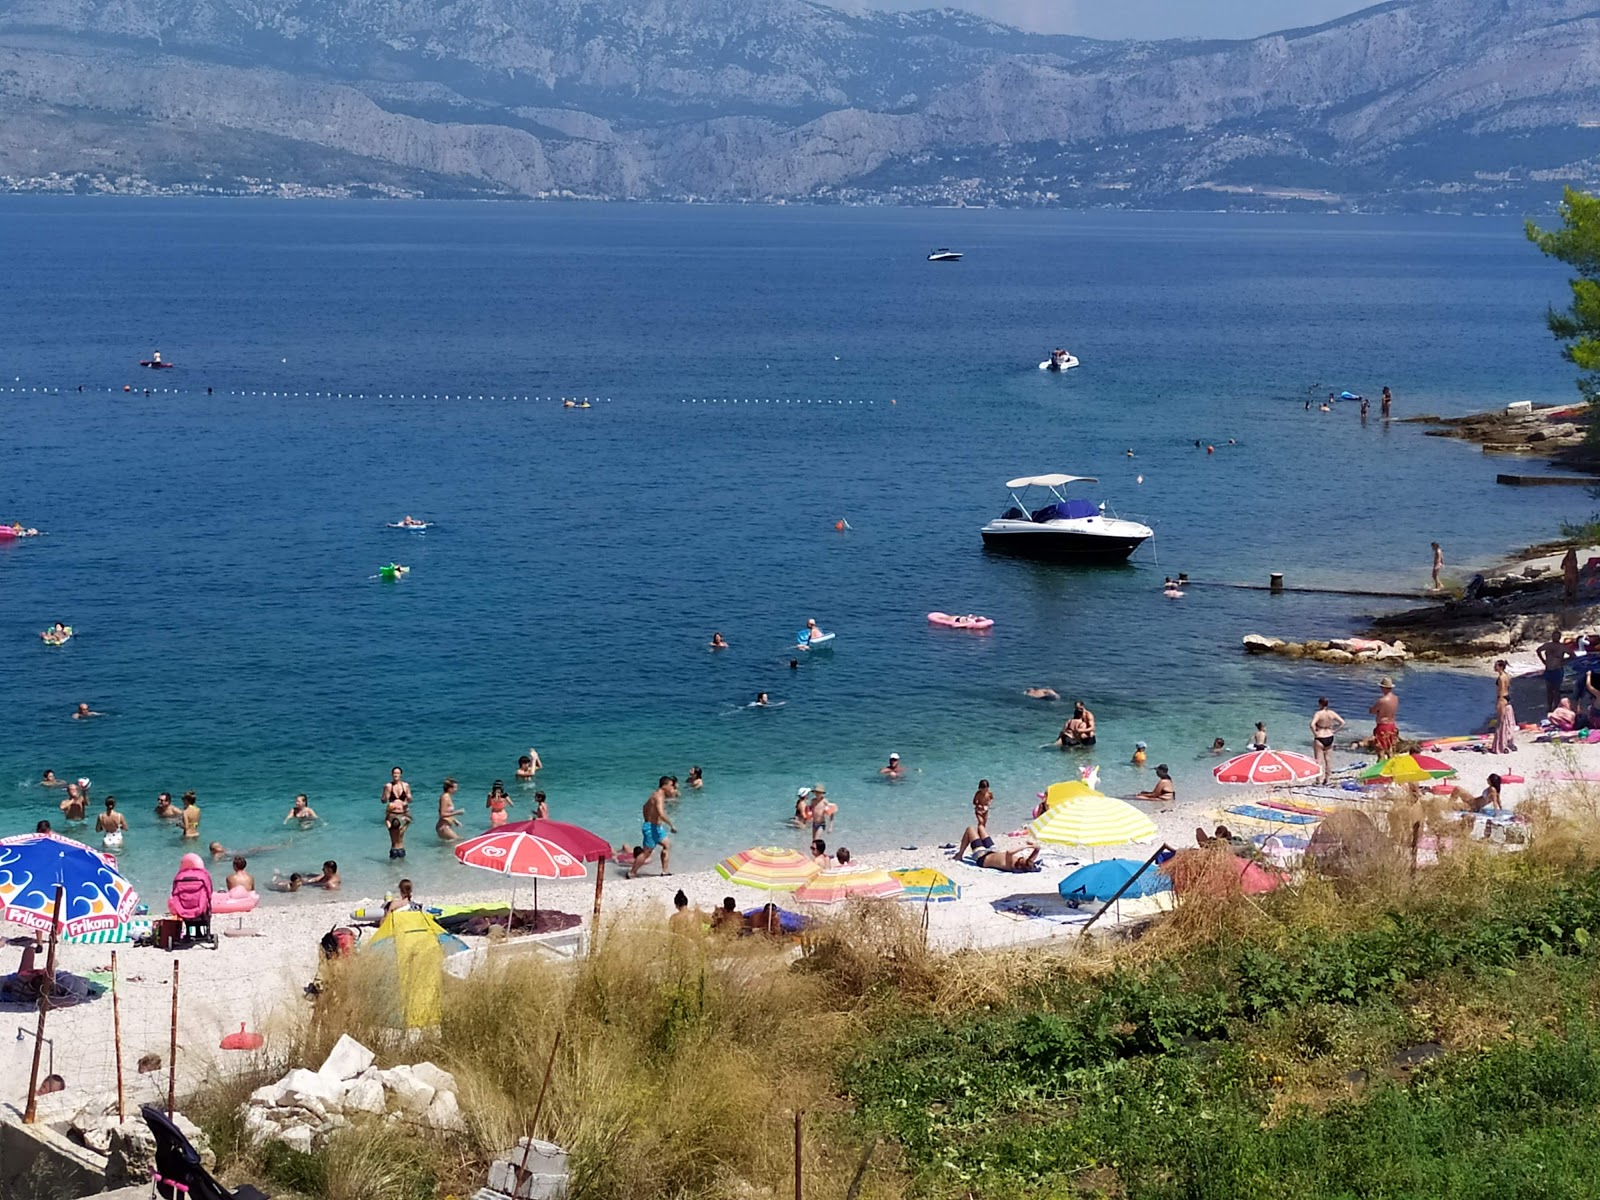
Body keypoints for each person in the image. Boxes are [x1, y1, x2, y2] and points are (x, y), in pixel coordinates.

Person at [631, 778, 677, 877]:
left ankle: (665, 871)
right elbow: (661, 813)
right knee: (647, 852)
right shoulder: (659, 797)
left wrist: (647, 819)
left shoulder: (654, 794)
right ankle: (632, 872)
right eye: (671, 785)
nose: (672, 787)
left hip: (655, 828)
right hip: (651, 828)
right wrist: (671, 824)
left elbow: (644, 807)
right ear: (664, 786)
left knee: (667, 845)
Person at [1310, 697, 1346, 784]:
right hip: (1330, 736)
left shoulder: (1318, 714)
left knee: (1318, 760)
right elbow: (1342, 723)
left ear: (1320, 704)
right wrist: (1334, 731)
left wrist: (1315, 733)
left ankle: (1318, 779)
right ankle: (1327, 778)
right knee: (1328, 759)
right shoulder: (1331, 713)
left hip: (1320, 736)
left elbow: (1312, 724)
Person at [1538, 629, 1570, 712]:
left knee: (1557, 690)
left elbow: (1573, 655)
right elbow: (1538, 650)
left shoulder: (1562, 647)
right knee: (1549, 690)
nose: (1555, 637)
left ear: (1559, 637)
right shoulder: (1548, 645)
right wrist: (1543, 661)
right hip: (1548, 670)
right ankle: (1549, 707)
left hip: (1557, 670)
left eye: (1557, 636)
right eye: (1554, 636)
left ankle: (1556, 707)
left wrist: (1563, 661)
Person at [1492, 660, 1517, 754]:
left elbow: (1502, 691)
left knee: (1500, 723)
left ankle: (1500, 746)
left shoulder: (1501, 678)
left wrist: (1499, 704)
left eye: (1496, 665)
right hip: (1507, 698)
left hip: (1502, 699)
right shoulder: (1506, 676)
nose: (1494, 667)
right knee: (1506, 722)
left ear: (1500, 667)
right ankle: (1506, 743)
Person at [1369, 678, 1400, 755]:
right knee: (1390, 749)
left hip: (1382, 726)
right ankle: (1391, 766)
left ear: (1383, 688)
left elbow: (1372, 711)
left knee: (1380, 750)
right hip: (1392, 725)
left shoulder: (1382, 700)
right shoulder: (1395, 698)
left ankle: (1381, 765)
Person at [971, 844, 1042, 873]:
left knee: (970, 830)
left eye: (1024, 858)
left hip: (981, 858)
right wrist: (1032, 845)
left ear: (1022, 864)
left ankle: (960, 854)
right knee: (981, 827)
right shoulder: (1027, 864)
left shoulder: (1012, 865)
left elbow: (1009, 852)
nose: (1024, 857)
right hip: (991, 852)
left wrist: (1024, 846)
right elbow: (1038, 849)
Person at [385, 791, 412, 858]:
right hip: (401, 849)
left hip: (393, 849)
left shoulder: (390, 830)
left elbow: (386, 820)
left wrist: (388, 812)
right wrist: (405, 817)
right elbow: (409, 822)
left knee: (392, 864)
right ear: (399, 824)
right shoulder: (401, 831)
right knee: (402, 863)